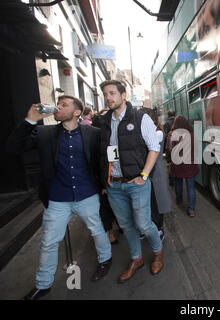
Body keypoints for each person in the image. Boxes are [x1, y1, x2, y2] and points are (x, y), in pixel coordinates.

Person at [6, 96, 112, 300]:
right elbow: (13, 148)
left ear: (77, 112)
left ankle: (105, 260)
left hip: (87, 194)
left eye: (64, 105)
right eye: (58, 103)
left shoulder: (93, 133)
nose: (58, 107)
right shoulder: (44, 133)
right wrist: (29, 121)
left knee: (97, 230)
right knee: (48, 242)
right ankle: (43, 284)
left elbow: (104, 159)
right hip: (57, 198)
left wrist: (107, 184)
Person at [99, 80, 163, 282]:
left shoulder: (139, 117)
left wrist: (144, 175)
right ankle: (137, 259)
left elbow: (154, 147)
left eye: (112, 93)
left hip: (137, 183)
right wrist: (105, 180)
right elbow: (101, 154)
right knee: (126, 226)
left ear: (123, 95)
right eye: (105, 94)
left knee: (144, 224)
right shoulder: (103, 121)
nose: (108, 98)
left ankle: (158, 253)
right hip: (114, 185)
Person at [92, 108, 120, 245]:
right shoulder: (96, 140)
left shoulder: (113, 139)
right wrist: (102, 184)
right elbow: (97, 163)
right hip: (103, 180)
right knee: (105, 208)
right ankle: (109, 232)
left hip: (113, 178)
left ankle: (119, 225)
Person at [144, 108, 172, 241]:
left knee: (158, 199)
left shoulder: (158, 133)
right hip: (148, 170)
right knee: (148, 200)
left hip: (156, 170)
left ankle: (159, 227)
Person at [166, 115, 200, 217]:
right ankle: (191, 210)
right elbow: (197, 148)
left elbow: (168, 149)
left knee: (178, 184)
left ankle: (179, 200)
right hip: (190, 163)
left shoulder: (171, 134)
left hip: (177, 164)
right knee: (191, 187)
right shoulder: (192, 134)